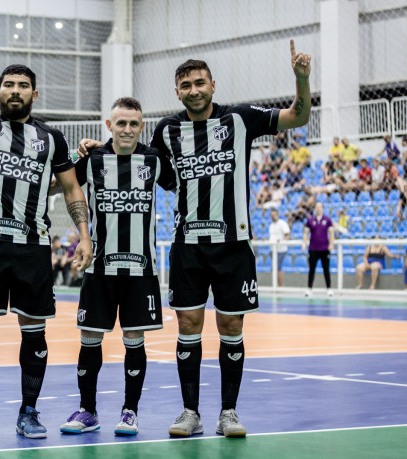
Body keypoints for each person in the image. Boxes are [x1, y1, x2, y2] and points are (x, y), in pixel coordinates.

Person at [0, 1, 93, 440]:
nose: (15, 90)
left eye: (23, 85)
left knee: (34, 331)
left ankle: (29, 411)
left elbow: (70, 189)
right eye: (8, 84)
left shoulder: (52, 139)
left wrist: (83, 236)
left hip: (33, 246)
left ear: (34, 94)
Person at [145, 41, 312, 438]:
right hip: (187, 243)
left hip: (234, 243)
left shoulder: (240, 118)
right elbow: (151, 170)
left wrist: (302, 79)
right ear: (177, 92)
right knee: (187, 324)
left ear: (213, 85)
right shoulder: (166, 130)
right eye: (185, 85)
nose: (193, 90)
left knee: (230, 326)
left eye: (199, 82)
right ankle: (190, 412)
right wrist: (98, 150)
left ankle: (229, 412)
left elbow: (298, 117)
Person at [58, 97, 176, 437]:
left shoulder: (154, 160)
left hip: (141, 271)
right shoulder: (92, 159)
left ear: (142, 127)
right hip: (99, 270)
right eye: (120, 123)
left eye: (134, 123)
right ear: (109, 125)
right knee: (90, 338)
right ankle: (87, 410)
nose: (127, 129)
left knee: (134, 339)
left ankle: (130, 412)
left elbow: (179, 183)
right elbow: (65, 186)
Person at [303, 202, 334, 297]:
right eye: (316, 207)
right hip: (313, 248)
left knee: (326, 269)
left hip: (324, 249)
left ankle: (329, 289)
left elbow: (331, 233)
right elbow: (306, 233)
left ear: (323, 208)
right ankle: (309, 288)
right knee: (312, 269)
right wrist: (304, 244)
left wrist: (331, 244)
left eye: (320, 207)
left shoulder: (327, 220)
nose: (318, 209)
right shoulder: (310, 220)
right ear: (314, 209)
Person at [267, 208, 290, 286]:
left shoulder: (282, 223)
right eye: (272, 215)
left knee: (278, 268)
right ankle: (276, 285)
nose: (274, 216)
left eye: (275, 215)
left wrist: (282, 240)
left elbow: (287, 234)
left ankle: (280, 286)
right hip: (273, 250)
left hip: (281, 250)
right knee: (275, 268)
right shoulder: (271, 225)